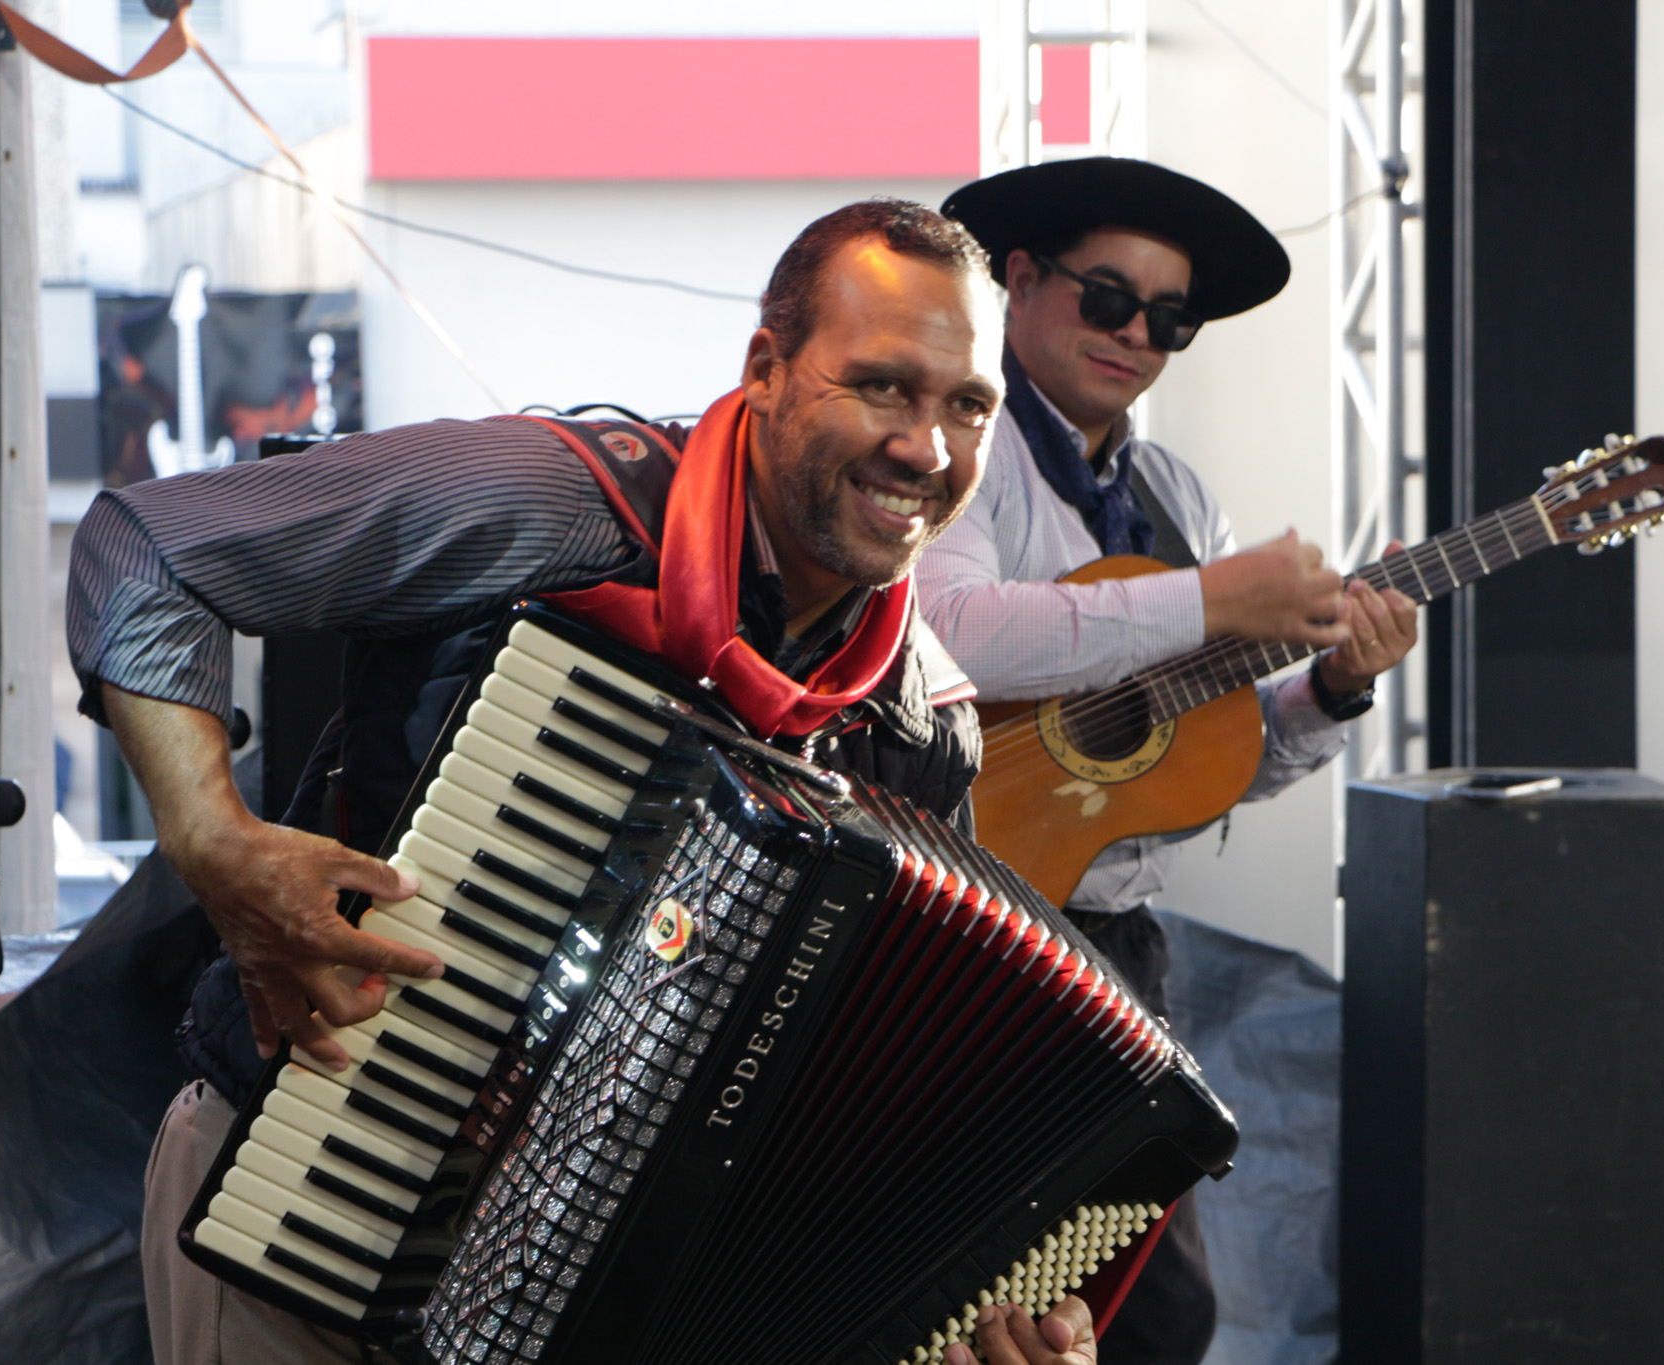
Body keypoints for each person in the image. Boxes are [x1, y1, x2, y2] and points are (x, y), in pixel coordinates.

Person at [68, 199, 1093, 1365]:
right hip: (312, 1190)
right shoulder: (545, 503)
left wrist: (960, 1311)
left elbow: (871, 1086)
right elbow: (144, 553)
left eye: (968, 405)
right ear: (765, 369)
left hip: (611, 1304)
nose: (928, 448)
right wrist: (212, 841)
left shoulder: (918, 725)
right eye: (881, 386)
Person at [922, 159, 1420, 1364]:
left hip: (1116, 949)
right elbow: (951, 635)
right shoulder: (960, 452)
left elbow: (1204, 756)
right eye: (1108, 298)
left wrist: (1330, 691)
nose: (1136, 336)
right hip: (964, 935)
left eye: (1169, 320)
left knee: (1149, 1309)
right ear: (1020, 280)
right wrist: (1208, 600)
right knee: (960, 1294)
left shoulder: (1171, 498)